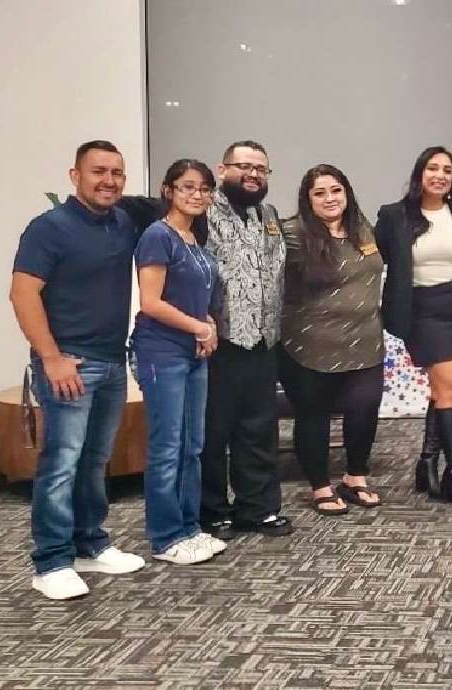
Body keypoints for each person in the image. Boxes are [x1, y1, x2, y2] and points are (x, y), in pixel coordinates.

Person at [119, 140, 293, 540]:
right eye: (243, 166)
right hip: (217, 340)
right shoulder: (200, 212)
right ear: (223, 169)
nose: (252, 174)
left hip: (264, 341)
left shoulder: (269, 215)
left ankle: (259, 508)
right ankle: (213, 511)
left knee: (259, 429)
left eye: (261, 169)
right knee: (212, 431)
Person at [11, 140, 147, 600]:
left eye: (117, 173)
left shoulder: (125, 222)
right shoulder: (49, 228)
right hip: (67, 361)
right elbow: (23, 295)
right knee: (61, 464)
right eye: (99, 171)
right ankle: (50, 561)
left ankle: (90, 543)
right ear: (75, 176)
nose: (109, 180)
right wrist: (50, 357)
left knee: (94, 461)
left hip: (110, 360)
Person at [375, 146, 452, 508]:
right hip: (422, 311)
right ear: (420, 173)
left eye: (448, 170)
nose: (440, 175)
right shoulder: (394, 216)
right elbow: (377, 258)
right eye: (433, 168)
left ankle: (426, 463)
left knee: (442, 390)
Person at [129, 159, 225, 565]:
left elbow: (198, 299)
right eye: (187, 187)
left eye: (204, 188)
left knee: (193, 445)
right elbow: (151, 303)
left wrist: (208, 324)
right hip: (160, 352)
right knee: (167, 446)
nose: (197, 195)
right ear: (168, 190)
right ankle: (166, 536)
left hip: (192, 353)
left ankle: (189, 528)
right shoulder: (158, 236)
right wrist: (200, 329)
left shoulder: (193, 239)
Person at [279, 164, 385, 516]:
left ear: (347, 192)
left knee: (364, 410)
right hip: (310, 345)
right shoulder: (291, 233)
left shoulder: (362, 229)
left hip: (365, 341)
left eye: (335, 190)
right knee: (313, 416)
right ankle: (321, 487)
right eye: (319, 192)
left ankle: (355, 477)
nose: (329, 198)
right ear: (307, 199)